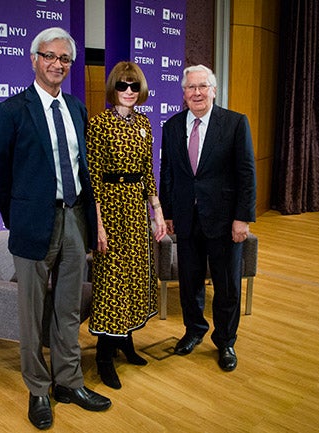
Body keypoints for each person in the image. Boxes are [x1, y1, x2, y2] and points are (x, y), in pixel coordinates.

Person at [0, 27, 111, 430]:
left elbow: (84, 169)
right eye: (49, 56)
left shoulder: (76, 108)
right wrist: (16, 214)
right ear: (34, 59)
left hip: (74, 218)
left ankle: (68, 382)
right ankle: (38, 388)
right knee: (32, 312)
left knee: (68, 308)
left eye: (65, 59)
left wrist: (93, 222)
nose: (57, 64)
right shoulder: (11, 111)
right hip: (32, 225)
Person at [159, 64, 256, 372]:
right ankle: (194, 330)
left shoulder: (235, 123)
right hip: (187, 219)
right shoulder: (172, 126)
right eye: (191, 88)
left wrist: (242, 218)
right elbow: (169, 173)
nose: (197, 93)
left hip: (225, 221)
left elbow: (246, 174)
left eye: (203, 87)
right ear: (184, 93)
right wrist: (169, 212)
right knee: (189, 281)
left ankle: (226, 341)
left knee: (227, 284)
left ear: (214, 90)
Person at [86, 61, 167, 389]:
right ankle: (104, 355)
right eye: (123, 86)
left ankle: (125, 341)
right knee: (112, 282)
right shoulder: (99, 124)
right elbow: (92, 177)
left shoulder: (145, 124)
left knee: (134, 276)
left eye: (134, 86)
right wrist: (99, 226)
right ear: (113, 89)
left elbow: (148, 172)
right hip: (111, 209)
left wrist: (157, 212)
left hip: (136, 210)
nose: (130, 92)